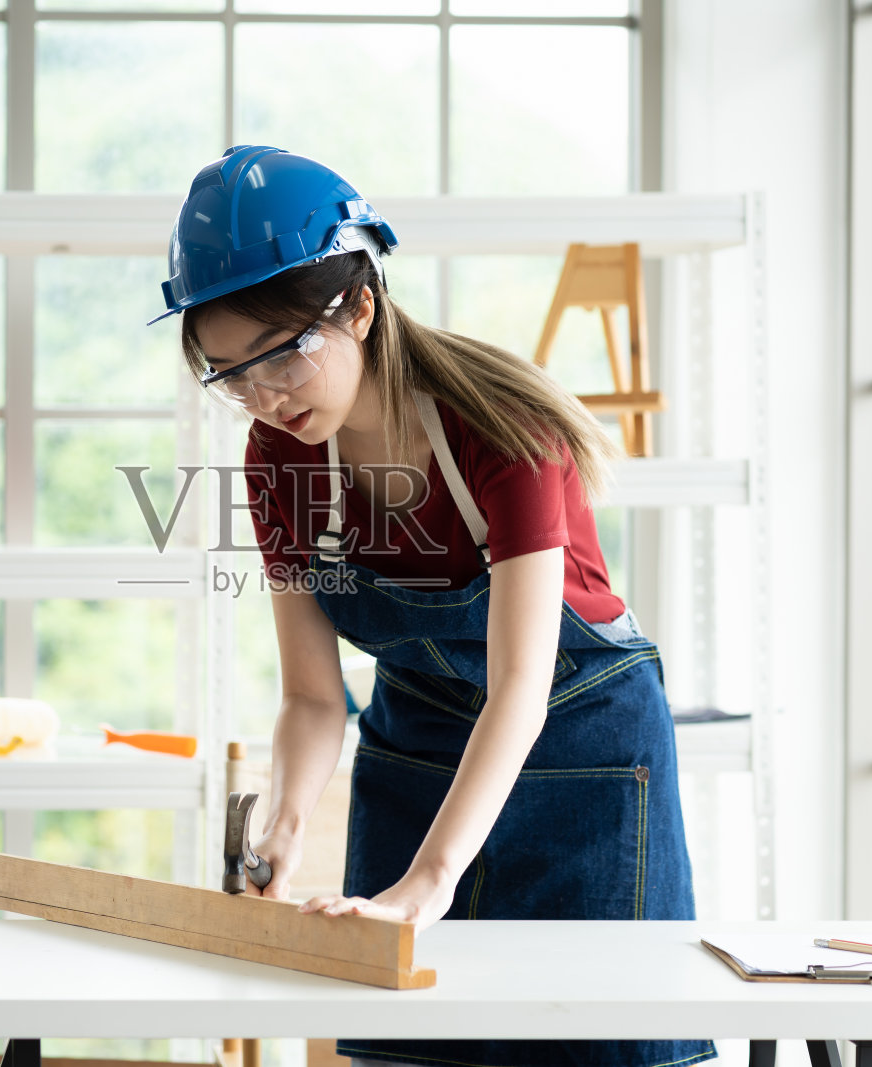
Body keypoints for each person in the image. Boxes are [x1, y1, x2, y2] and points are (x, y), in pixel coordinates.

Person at [152, 145, 715, 1067]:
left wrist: (429, 879)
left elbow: (520, 685)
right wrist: (283, 832)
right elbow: (311, 696)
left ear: (361, 305)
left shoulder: (504, 433)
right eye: (231, 373)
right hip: (418, 750)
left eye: (282, 355)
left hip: (583, 753)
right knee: (412, 1051)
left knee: (597, 1044)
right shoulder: (279, 461)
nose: (264, 395)